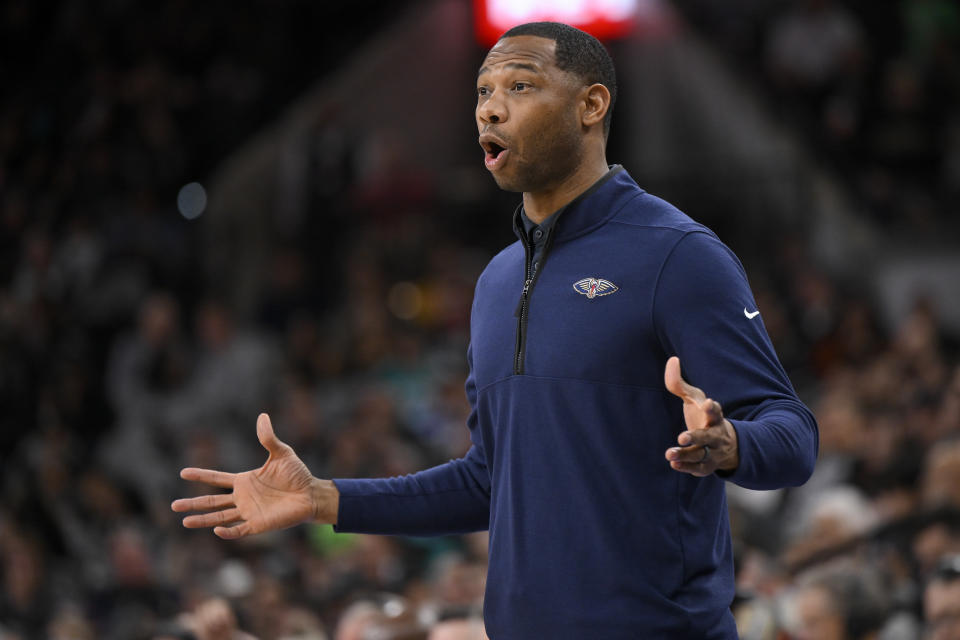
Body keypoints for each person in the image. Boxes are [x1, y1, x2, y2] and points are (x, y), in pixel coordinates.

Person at [172, 22, 818, 638]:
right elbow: (487, 480)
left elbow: (793, 436)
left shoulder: (679, 254)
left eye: (520, 86)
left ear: (591, 104)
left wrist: (732, 444)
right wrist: (324, 499)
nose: (489, 109)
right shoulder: (497, 281)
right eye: (482, 91)